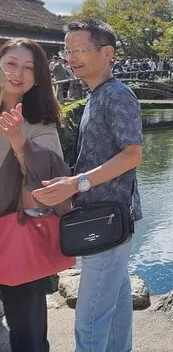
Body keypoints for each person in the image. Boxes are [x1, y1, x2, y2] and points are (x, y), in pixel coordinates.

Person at [32, 19, 143, 352]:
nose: (71, 58)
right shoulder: (98, 94)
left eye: (79, 49)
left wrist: (76, 183)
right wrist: (69, 181)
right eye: (68, 51)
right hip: (107, 219)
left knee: (90, 321)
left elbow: (133, 155)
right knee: (116, 310)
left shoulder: (117, 95)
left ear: (107, 53)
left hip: (106, 220)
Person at [0, 38, 70, 352]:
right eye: (11, 63)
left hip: (16, 232)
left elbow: (48, 184)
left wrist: (18, 140)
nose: (18, 73)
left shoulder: (41, 123)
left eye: (28, 68)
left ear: (38, 77)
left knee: (27, 332)